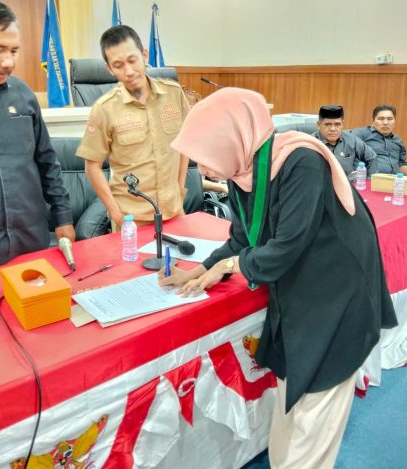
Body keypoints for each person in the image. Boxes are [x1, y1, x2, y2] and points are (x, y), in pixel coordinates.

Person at [159, 88, 397, 468]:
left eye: (205, 156)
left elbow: (287, 246)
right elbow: (244, 237)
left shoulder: (300, 161)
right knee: (292, 398)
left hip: (338, 291)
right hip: (301, 289)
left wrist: (229, 266)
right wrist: (202, 269)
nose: (201, 170)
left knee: (316, 405)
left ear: (231, 138)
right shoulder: (243, 169)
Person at [0, 1, 74, 268]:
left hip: (31, 242)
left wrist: (62, 216)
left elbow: (47, 161)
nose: (8, 62)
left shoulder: (23, 95)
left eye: (14, 51)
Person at [76, 25, 190, 230]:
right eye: (118, 65)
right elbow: (92, 167)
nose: (128, 71)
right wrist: (116, 215)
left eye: (132, 60)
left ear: (144, 56)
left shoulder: (174, 94)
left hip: (174, 212)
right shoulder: (104, 109)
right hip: (132, 221)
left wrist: (180, 191)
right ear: (109, 69)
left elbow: (185, 145)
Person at [312, 105, 377, 177]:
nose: (333, 129)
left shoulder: (351, 139)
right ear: (318, 125)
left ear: (342, 124)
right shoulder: (310, 143)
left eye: (337, 124)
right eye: (327, 124)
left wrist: (370, 180)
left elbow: (371, 157)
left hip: (347, 183)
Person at [352, 104, 407, 175]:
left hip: (395, 180)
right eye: (381, 119)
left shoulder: (398, 140)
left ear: (394, 121)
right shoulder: (361, 134)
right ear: (373, 121)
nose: (385, 123)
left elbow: (401, 164)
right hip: (369, 179)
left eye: (390, 119)